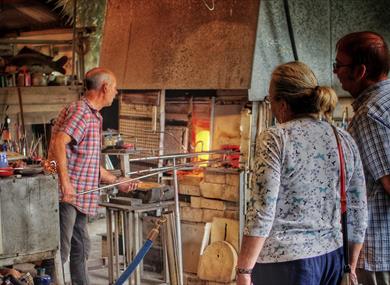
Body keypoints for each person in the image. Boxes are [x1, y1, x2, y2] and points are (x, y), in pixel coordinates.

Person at [236, 61, 368, 285]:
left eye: (270, 100)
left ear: (283, 104)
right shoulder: (342, 137)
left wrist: (243, 270)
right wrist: (351, 265)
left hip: (285, 263)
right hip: (332, 259)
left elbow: (262, 210)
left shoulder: (276, 138)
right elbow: (358, 209)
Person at [49, 67, 137, 285]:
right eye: (114, 87)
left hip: (79, 196)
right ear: (105, 87)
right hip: (68, 196)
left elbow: (89, 164)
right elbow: (60, 141)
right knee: (60, 251)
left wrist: (118, 182)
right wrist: (66, 184)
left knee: (81, 249)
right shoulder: (82, 112)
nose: (116, 92)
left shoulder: (92, 116)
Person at [334, 31, 390, 285]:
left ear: (360, 71)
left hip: (379, 251)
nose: (336, 72)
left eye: (339, 65)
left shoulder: (369, 116)